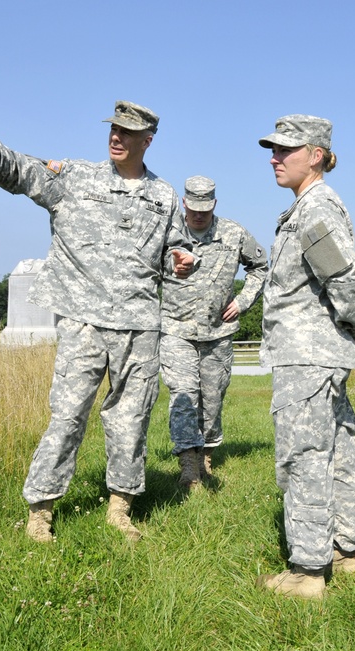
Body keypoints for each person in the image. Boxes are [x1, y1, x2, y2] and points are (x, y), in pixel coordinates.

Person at [0, 101, 197, 544]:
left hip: (139, 324)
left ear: (147, 140)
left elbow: (177, 245)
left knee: (131, 419)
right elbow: (21, 172)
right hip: (83, 321)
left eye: (128, 133)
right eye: (113, 129)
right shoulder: (74, 177)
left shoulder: (164, 195)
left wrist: (183, 258)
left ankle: (120, 508)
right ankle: (40, 511)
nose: (116, 137)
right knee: (68, 416)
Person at [254, 115, 355, 599]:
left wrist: (353, 324)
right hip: (320, 354)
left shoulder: (314, 210)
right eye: (273, 149)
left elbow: (347, 286)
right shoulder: (307, 208)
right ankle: (347, 552)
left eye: (287, 149)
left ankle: (307, 570)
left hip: (308, 355)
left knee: (303, 457)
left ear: (316, 155)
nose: (275, 158)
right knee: (337, 451)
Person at [159, 175, 267, 489]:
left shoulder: (233, 233)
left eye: (205, 209)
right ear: (184, 203)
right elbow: (145, 265)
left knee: (212, 399)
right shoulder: (169, 231)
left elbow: (260, 266)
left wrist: (244, 300)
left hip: (218, 334)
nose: (199, 214)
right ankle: (189, 468)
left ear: (214, 204)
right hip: (177, 330)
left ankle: (205, 454)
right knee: (183, 397)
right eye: (193, 208)